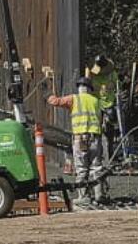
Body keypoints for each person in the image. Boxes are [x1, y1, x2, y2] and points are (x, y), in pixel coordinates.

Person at [47, 76, 107, 204]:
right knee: (96, 168)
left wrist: (48, 95)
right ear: (89, 89)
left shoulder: (73, 99)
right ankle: (99, 195)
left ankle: (84, 197)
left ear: (79, 88)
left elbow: (55, 102)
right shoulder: (96, 101)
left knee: (81, 169)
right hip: (95, 138)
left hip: (80, 139)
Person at [90, 55, 120, 154]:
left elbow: (116, 84)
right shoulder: (94, 74)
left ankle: (110, 150)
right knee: (96, 130)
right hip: (97, 104)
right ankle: (98, 153)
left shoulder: (112, 74)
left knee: (110, 130)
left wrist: (112, 86)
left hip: (109, 104)